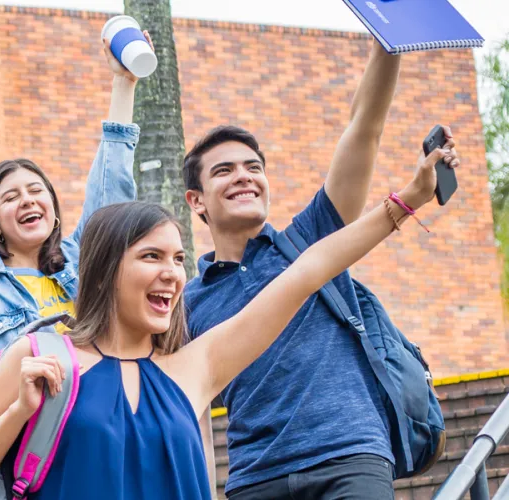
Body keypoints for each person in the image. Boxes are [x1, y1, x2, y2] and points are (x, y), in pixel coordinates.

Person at [0, 138, 459, 500]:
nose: (172, 274)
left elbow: (309, 269)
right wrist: (16, 414)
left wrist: (406, 201)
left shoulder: (195, 367)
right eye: (151, 258)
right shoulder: (39, 356)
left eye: (179, 260)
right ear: (103, 271)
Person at [182, 43, 461, 498]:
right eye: (224, 171)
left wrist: (389, 44)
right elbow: (187, 406)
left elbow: (363, 129)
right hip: (255, 478)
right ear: (197, 200)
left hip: (350, 455)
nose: (244, 177)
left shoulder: (310, 236)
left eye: (254, 167)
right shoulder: (187, 300)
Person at [0, 34, 150, 424]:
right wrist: (11, 400)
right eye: (10, 198)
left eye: (36, 191)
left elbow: (111, 194)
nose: (27, 200)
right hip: (25, 451)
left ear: (54, 211)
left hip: (105, 428)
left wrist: (124, 84)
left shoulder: (79, 261)